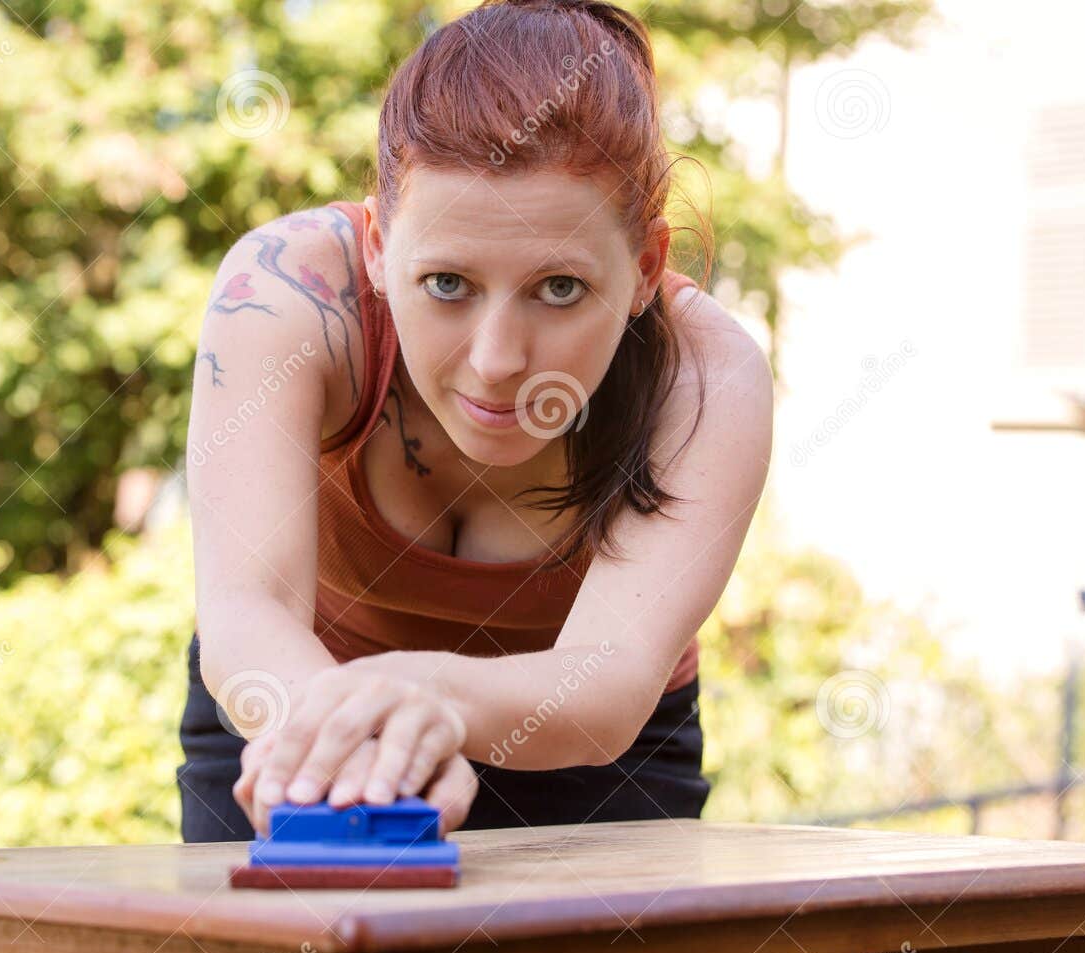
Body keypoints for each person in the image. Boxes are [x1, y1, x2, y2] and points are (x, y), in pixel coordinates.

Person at [177, 0, 772, 842]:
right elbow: (249, 614)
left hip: (593, 761)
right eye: (448, 284)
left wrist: (428, 700)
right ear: (380, 247)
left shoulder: (706, 377)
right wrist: (361, 736)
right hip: (297, 707)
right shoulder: (286, 297)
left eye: (559, 288)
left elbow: (606, 683)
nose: (498, 360)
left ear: (645, 267)